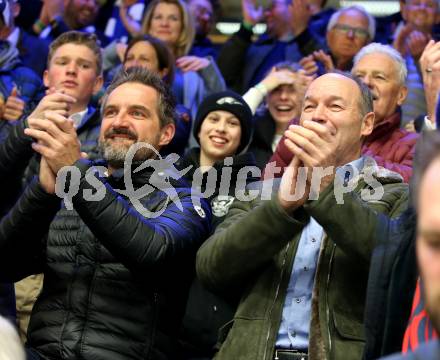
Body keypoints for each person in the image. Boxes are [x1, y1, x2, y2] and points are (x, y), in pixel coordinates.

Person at [0, 66, 211, 359]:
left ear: (167, 132)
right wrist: (43, 194)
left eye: (137, 113)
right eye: (111, 112)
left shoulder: (186, 198)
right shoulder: (72, 187)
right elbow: (6, 264)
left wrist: (78, 174)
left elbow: (152, 253)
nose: (119, 122)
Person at [196, 72, 409, 360]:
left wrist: (326, 190)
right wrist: (280, 208)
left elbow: (399, 269)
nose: (318, 116)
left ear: (366, 123)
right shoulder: (260, 191)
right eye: (309, 107)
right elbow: (211, 269)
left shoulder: (395, 193)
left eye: (334, 107)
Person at [0, 30, 104, 341]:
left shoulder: (108, 131)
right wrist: (27, 126)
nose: (72, 70)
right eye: (63, 62)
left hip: (71, 268)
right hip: (16, 262)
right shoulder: (17, 123)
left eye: (83, 65)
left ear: (98, 83)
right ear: (47, 76)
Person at [177, 91, 258, 359]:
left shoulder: (252, 188)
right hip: (158, 327)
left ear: (243, 138)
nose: (221, 128)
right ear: (199, 128)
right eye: (213, 118)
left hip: (212, 333)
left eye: (233, 123)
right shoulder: (169, 176)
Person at [267, 43, 418, 183]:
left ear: (401, 95)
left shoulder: (414, 143)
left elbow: (410, 187)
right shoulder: (302, 130)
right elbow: (262, 195)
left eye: (379, 77)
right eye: (359, 76)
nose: (366, 82)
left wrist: (342, 147)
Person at [122, 34, 191, 155]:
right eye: (129, 58)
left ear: (162, 71)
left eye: (144, 59)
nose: (134, 64)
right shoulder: (105, 104)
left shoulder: (178, 115)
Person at [244, 61, 312, 169]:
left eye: (291, 90)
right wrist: (262, 87)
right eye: (276, 89)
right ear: (266, 97)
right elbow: (233, 116)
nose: (283, 97)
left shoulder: (313, 136)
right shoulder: (252, 131)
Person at [299, 5, 375, 76]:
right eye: (343, 28)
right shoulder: (315, 64)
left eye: (359, 31)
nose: (350, 35)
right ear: (329, 35)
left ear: (368, 42)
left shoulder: (371, 75)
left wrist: (333, 78)